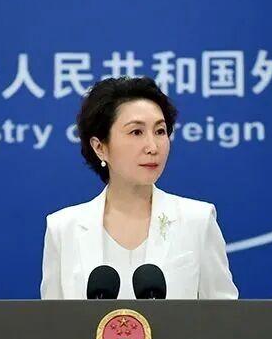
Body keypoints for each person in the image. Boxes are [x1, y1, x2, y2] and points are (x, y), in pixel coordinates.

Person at [40, 76, 238, 299]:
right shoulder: (63, 229)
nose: (152, 147)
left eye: (160, 131)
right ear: (100, 147)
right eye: (136, 132)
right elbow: (53, 318)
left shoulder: (197, 221)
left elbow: (224, 315)